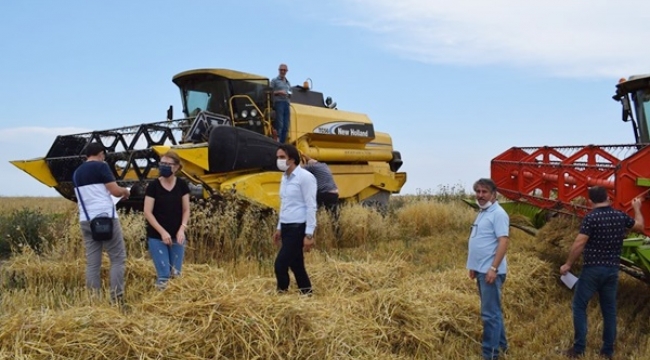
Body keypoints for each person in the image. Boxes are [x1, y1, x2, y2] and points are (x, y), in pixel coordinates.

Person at [560, 186, 644, 359]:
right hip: (612, 270)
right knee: (609, 310)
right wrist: (637, 209)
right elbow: (640, 227)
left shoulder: (591, 218)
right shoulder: (620, 216)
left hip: (592, 269)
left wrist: (568, 264)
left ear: (590, 201)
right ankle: (607, 351)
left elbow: (579, 243)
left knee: (579, 306)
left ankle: (578, 349)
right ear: (608, 198)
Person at [72, 142, 130, 305]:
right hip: (105, 218)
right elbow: (115, 191)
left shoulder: (76, 173)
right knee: (118, 259)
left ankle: (93, 302)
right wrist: (125, 191)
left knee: (93, 264)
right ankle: (117, 299)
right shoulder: (101, 166)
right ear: (101, 153)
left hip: (85, 219)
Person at [466, 178, 509, 360]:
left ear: (494, 194)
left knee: (489, 315)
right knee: (493, 312)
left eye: (484, 192)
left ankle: (490, 355)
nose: (480, 195)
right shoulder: (483, 211)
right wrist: (474, 266)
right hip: (481, 270)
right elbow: (481, 240)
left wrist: (493, 267)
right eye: (478, 191)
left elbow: (503, 241)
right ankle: (501, 346)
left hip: (491, 272)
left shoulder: (498, 214)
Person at [273, 143, 317, 295]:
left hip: (298, 227)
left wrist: (309, 234)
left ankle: (281, 296)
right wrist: (279, 228)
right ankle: (307, 294)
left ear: (292, 159)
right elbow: (285, 204)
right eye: (277, 157)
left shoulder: (305, 178)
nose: (278, 160)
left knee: (280, 265)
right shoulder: (284, 178)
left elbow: (311, 206)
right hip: (286, 226)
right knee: (297, 265)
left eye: (282, 157)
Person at [143, 151, 191, 290]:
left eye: (168, 164)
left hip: (177, 236)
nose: (164, 166)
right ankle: (160, 303)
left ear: (176, 167)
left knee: (176, 274)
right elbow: (147, 212)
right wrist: (163, 232)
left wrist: (182, 228)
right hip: (157, 237)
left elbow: (186, 209)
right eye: (162, 163)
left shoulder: (182, 185)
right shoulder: (153, 186)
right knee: (164, 275)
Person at [271, 63, 291, 143]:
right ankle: (277, 142)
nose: (282, 71)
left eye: (284, 70)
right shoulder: (274, 80)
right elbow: (269, 92)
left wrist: (289, 95)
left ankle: (282, 143)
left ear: (287, 71)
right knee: (280, 124)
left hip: (287, 103)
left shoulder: (288, 82)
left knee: (286, 126)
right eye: (281, 70)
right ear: (279, 70)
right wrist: (279, 92)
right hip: (279, 103)